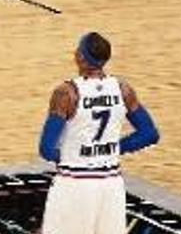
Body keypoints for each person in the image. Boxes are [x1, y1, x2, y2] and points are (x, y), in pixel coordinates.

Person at [39, 32, 160, 234]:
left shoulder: (66, 93)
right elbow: (150, 133)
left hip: (75, 183)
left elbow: (46, 149)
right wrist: (113, 148)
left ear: (81, 57)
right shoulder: (122, 89)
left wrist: (72, 154)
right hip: (111, 185)